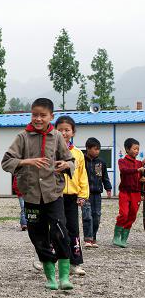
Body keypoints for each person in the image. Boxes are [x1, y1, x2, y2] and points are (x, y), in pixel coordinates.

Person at [2, 98, 75, 290]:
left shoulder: (58, 136)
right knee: (38, 236)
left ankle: (65, 277)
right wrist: (27, 162)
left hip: (54, 194)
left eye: (43, 115)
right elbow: (6, 161)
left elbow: (70, 160)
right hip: (31, 196)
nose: (38, 119)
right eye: (35, 114)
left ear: (51, 116)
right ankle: (50, 277)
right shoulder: (22, 137)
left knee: (60, 231)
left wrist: (66, 165)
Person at [55, 116, 89, 276]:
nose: (63, 133)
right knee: (55, 228)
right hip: (55, 196)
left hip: (72, 197)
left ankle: (75, 263)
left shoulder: (78, 154)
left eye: (67, 130)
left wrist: (83, 194)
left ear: (73, 132)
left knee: (73, 229)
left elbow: (83, 176)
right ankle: (46, 258)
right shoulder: (52, 151)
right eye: (60, 130)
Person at [113, 138, 145, 248]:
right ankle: (116, 236)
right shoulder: (122, 161)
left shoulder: (139, 163)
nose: (136, 151)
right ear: (127, 149)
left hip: (136, 193)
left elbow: (141, 176)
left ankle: (124, 238)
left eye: (138, 149)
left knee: (132, 215)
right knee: (124, 213)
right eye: (134, 148)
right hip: (125, 192)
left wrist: (142, 179)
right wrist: (137, 170)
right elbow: (124, 171)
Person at [83, 137, 112, 248]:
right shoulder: (82, 161)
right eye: (95, 149)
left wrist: (108, 189)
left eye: (98, 149)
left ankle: (94, 237)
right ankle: (88, 239)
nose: (97, 151)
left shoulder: (100, 163)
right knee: (87, 216)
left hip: (97, 194)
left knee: (96, 216)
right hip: (85, 194)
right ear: (88, 149)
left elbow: (105, 177)